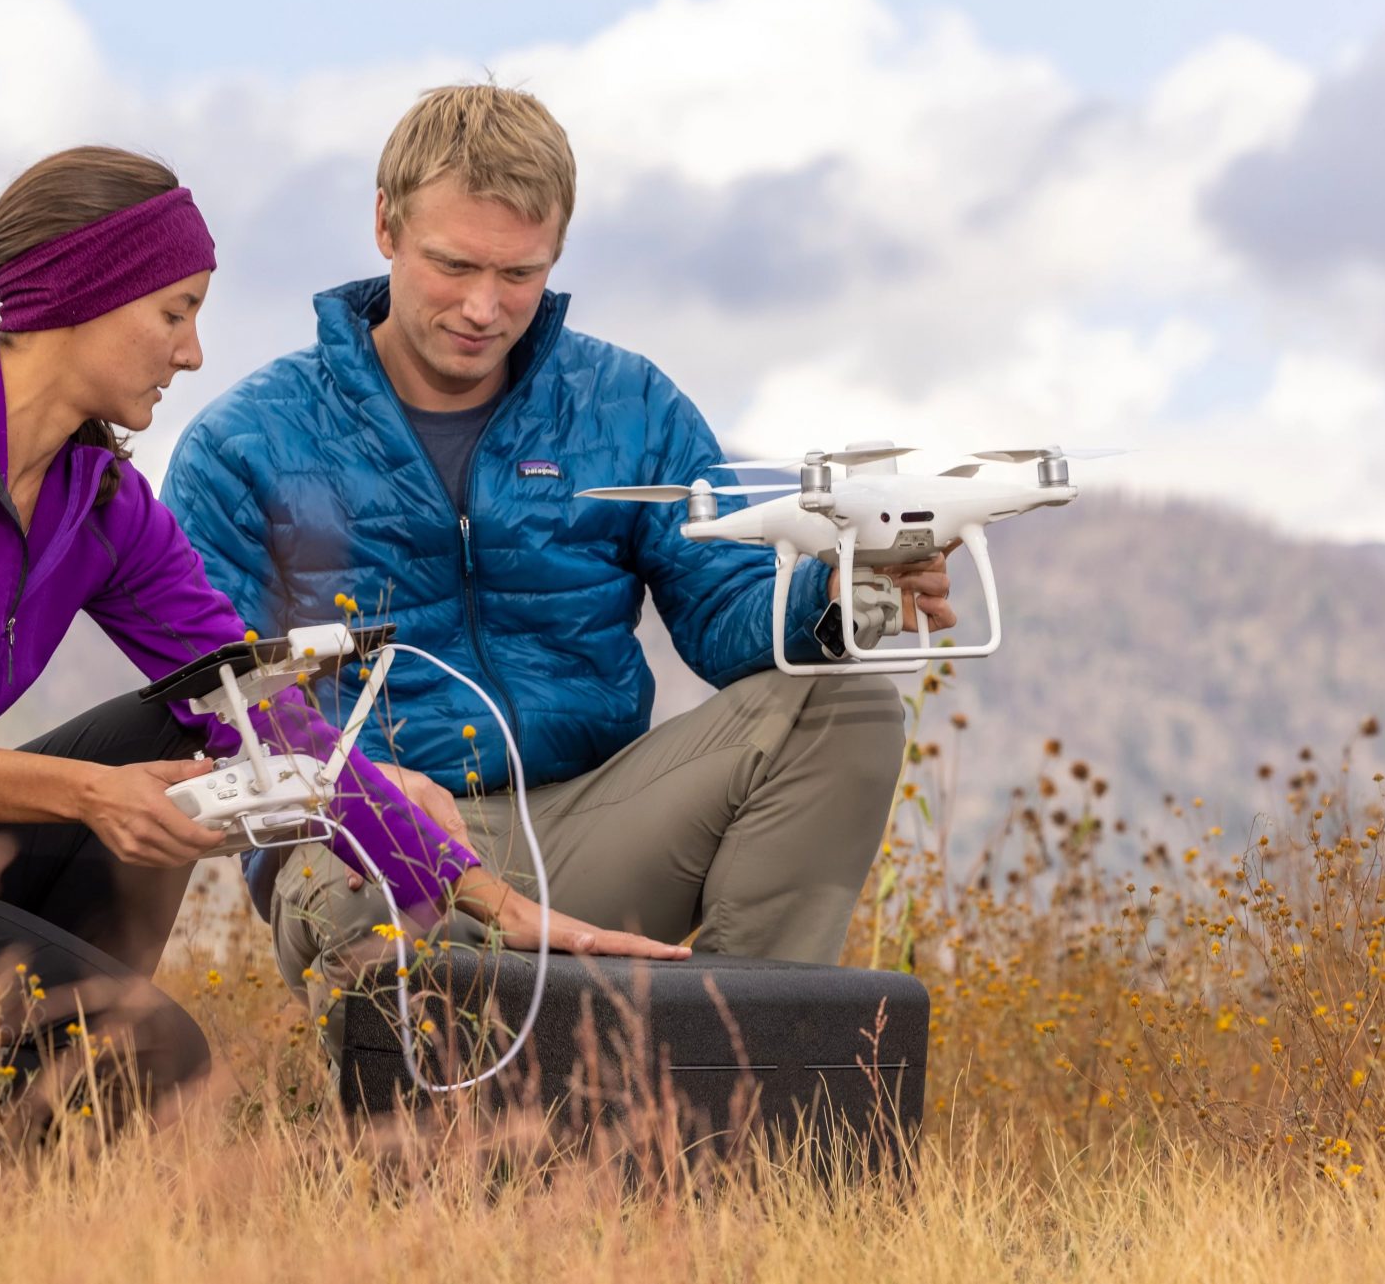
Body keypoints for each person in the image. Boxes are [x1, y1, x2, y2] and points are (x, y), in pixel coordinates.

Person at [0, 146, 672, 1119]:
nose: (193, 349)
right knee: (147, 1047)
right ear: (77, 297)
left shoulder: (99, 501)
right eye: (174, 311)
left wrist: (488, 896)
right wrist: (88, 793)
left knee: (178, 726)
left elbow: (263, 717)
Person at [162, 85, 954, 1045]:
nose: (483, 307)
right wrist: (361, 790)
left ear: (558, 253)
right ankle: (420, 1136)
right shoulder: (246, 441)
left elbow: (722, 609)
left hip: (588, 824)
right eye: (452, 264)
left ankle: (727, 1071)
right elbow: (217, 699)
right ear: (384, 223)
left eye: (520, 273)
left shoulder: (630, 404)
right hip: (381, 837)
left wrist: (839, 592)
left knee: (851, 700)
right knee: (342, 876)